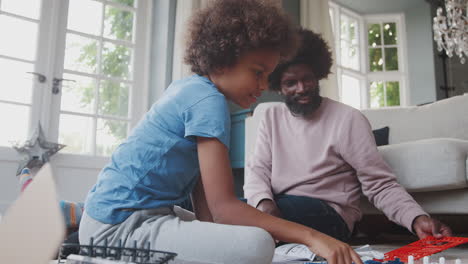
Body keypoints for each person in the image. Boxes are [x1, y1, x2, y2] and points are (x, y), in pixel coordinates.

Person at [78, 1, 364, 264]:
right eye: (257, 72)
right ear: (222, 59)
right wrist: (314, 237)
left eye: (268, 75)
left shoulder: (191, 89)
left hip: (122, 218)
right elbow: (225, 208)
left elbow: (206, 201)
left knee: (237, 236)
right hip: (118, 229)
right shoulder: (208, 102)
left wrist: (217, 239)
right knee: (258, 244)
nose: (264, 85)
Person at [244, 28, 452, 243]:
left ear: (318, 75)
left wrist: (417, 218)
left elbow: (379, 184)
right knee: (232, 211)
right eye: (291, 83)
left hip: (330, 213)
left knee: (248, 221)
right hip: (279, 204)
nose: (301, 88)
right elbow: (257, 171)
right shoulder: (271, 117)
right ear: (278, 86)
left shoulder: (348, 119)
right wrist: (263, 204)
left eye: (308, 79)